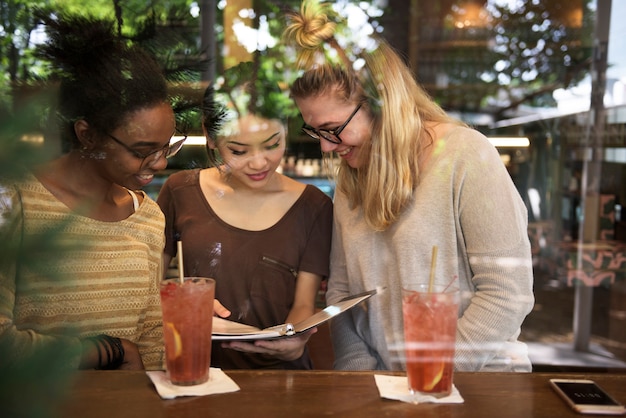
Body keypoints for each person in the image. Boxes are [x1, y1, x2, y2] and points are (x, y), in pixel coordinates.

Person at [284, 0, 535, 372]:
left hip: (478, 387)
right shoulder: (352, 178)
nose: (326, 146)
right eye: (314, 130)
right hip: (386, 391)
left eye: (333, 129)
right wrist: (358, 372)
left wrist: (431, 374)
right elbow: (342, 295)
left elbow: (506, 294)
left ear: (383, 105)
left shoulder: (466, 155)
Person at [0, 13, 182, 371]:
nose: (159, 164)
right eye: (142, 150)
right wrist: (106, 350)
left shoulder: (147, 217)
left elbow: (150, 340)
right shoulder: (15, 202)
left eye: (166, 148)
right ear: (87, 135)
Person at [157, 89, 333, 369]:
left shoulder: (313, 205)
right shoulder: (180, 191)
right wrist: (182, 303)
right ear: (211, 138)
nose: (259, 162)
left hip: (282, 379)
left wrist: (293, 342)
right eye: (239, 150)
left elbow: (303, 303)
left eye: (272, 144)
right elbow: (149, 286)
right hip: (197, 369)